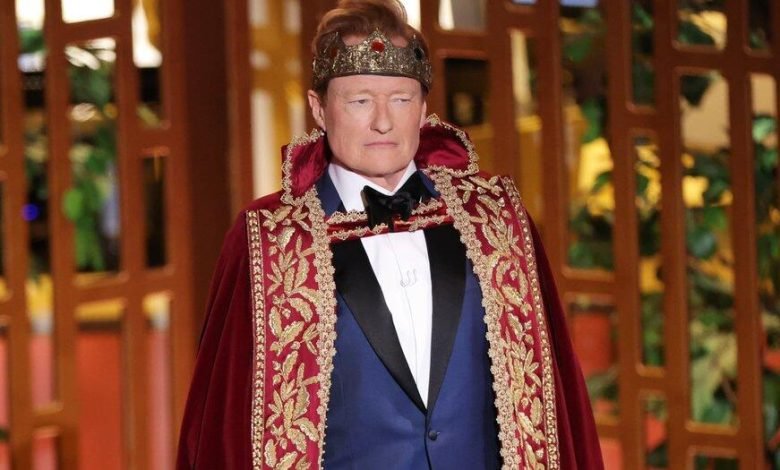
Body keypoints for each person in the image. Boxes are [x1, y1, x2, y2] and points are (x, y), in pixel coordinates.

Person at [177, 0, 604, 468]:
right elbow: (221, 426)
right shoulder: (270, 241)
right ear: (319, 109)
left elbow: (556, 399)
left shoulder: (495, 220)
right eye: (360, 101)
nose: (383, 121)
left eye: (401, 99)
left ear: (423, 110)